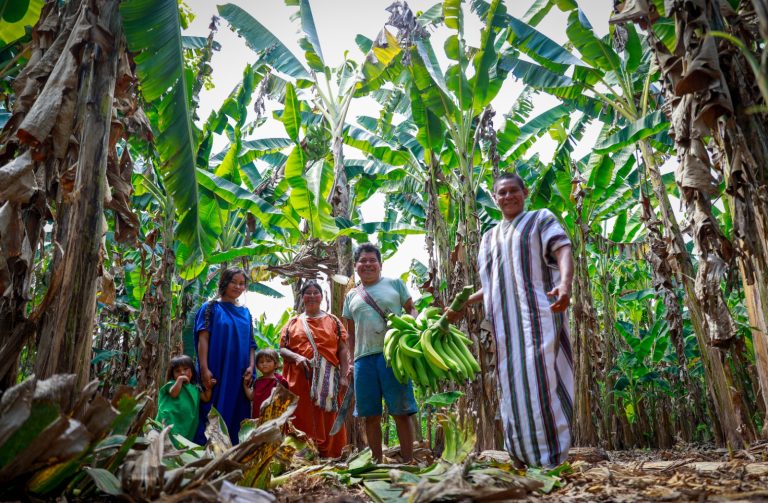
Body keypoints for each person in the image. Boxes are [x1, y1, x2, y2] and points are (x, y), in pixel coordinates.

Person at [449, 172, 574, 468]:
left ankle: (551, 458)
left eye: (512, 191)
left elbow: (562, 248)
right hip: (504, 328)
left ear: (525, 191)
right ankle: (520, 453)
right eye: (501, 193)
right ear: (494, 199)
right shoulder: (489, 237)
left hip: (540, 316)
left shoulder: (540, 219)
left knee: (542, 380)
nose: (507, 197)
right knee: (512, 387)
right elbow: (494, 283)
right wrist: (466, 301)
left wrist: (566, 284)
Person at [343, 243, 418, 463]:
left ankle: (408, 461)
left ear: (380, 264)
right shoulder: (351, 295)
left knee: (401, 411)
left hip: (393, 355)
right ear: (356, 266)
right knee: (370, 415)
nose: (367, 264)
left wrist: (411, 324)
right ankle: (377, 460)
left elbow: (411, 309)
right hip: (363, 360)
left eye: (372, 260)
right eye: (362, 261)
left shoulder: (395, 284)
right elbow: (350, 332)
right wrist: (349, 362)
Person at [280, 280, 350, 458]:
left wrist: (343, 376)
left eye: (315, 292)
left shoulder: (333, 321)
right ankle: (301, 456)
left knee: (329, 417)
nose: (312, 296)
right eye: (307, 293)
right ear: (302, 297)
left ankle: (332, 456)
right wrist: (297, 357)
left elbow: (342, 349)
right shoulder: (292, 323)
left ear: (321, 297)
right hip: (300, 381)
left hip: (329, 380)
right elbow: (282, 349)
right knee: (301, 417)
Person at [194, 267, 256, 445]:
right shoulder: (210, 307)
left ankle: (234, 454)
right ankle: (207, 453)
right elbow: (203, 339)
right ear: (224, 283)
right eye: (234, 282)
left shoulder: (246, 313)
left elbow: (251, 345)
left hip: (239, 373)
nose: (238, 287)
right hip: (217, 370)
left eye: (242, 283)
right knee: (212, 409)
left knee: (238, 414)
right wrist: (204, 369)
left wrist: (251, 367)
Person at [155, 355, 213, 441]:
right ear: (172, 374)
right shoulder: (172, 384)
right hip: (170, 419)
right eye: (177, 371)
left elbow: (206, 398)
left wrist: (209, 387)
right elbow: (174, 393)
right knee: (166, 440)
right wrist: (180, 380)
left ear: (192, 371)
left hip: (186, 423)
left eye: (186, 369)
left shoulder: (195, 388)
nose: (182, 373)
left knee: (180, 443)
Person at [243, 348, 289, 418]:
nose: (264, 364)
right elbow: (252, 397)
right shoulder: (257, 381)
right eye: (261, 362)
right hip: (258, 417)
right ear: (257, 367)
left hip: (274, 418)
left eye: (268, 361)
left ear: (276, 364)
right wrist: (245, 385)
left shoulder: (280, 380)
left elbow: (286, 401)